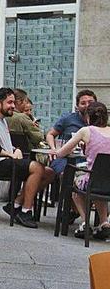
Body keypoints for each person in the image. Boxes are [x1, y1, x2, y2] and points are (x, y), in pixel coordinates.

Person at [0, 87, 55, 228]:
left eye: (13, 102)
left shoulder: (3, 120)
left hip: (6, 160)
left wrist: (16, 149)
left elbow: (6, 145)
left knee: (49, 172)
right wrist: (8, 154)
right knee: (37, 168)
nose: (13, 106)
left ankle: (16, 204)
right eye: (9, 102)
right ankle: (25, 211)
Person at [51, 101, 110, 239]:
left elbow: (61, 153)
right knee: (98, 184)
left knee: (76, 183)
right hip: (107, 182)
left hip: (92, 180)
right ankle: (104, 223)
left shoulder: (86, 131)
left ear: (88, 117)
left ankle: (84, 223)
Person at [47, 89, 97, 177]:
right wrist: (53, 148)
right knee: (66, 174)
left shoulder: (99, 123)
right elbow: (50, 134)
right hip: (65, 159)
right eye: (83, 103)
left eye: (90, 102)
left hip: (89, 161)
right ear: (77, 106)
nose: (87, 106)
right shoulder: (68, 119)